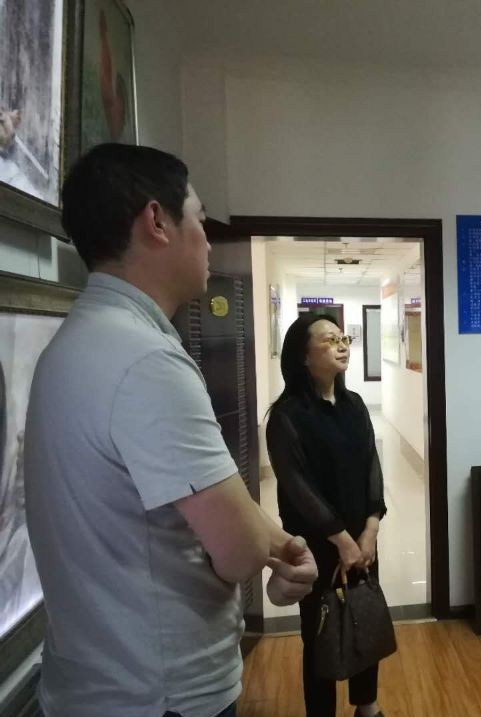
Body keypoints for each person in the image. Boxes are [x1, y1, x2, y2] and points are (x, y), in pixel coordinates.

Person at [25, 144, 319, 717]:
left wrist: (278, 544)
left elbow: (193, 509)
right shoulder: (146, 361)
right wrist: (262, 547)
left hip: (95, 683)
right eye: (200, 220)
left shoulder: (75, 343)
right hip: (162, 694)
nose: (207, 241)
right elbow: (238, 552)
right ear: (157, 222)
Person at [266, 313, 389, 717]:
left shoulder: (355, 406)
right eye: (329, 340)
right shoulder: (286, 416)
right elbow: (297, 488)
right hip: (316, 544)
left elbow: (372, 466)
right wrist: (341, 540)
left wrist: (371, 528)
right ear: (303, 356)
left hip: (362, 538)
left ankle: (367, 706)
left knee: (363, 617)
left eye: (343, 338)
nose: (341, 345)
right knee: (319, 631)